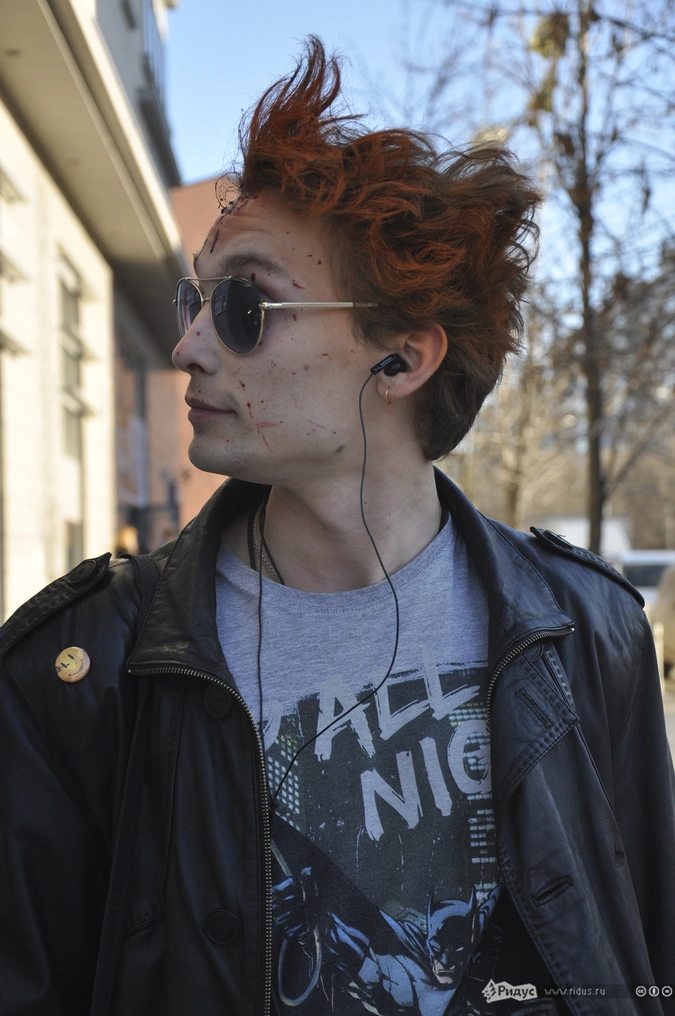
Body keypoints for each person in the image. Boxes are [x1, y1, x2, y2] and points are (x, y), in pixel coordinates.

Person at [0, 37, 673, 1016]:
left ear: (401, 359)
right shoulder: (82, 670)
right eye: (196, 300)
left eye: (244, 304)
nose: (188, 345)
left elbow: (644, 950)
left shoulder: (588, 630)